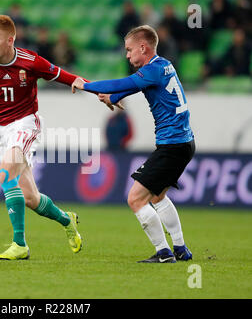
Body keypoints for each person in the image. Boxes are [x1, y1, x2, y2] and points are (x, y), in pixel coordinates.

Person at [0, 15, 84, 260]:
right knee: (30, 198)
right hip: (0, 130)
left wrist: (94, 89)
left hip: (25, 124)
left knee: (5, 173)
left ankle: (20, 244)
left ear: (10, 40)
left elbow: (62, 75)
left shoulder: (31, 61)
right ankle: (67, 220)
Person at [72, 25, 195, 263]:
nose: (127, 55)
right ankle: (180, 249)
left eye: (129, 50)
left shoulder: (151, 71)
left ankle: (164, 253)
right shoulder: (163, 65)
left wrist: (84, 85)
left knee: (135, 199)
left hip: (172, 146)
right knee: (157, 196)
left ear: (143, 47)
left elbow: (122, 83)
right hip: (183, 144)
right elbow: (137, 87)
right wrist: (114, 98)